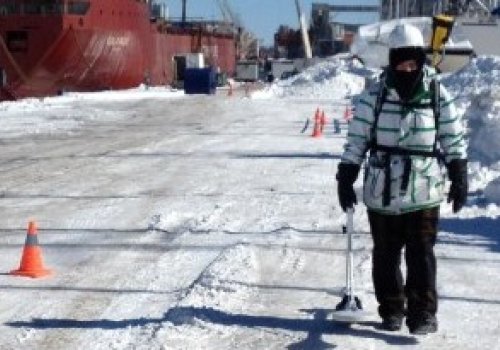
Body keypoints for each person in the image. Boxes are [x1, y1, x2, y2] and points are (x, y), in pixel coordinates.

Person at [336, 23, 468, 335]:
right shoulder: (375, 96)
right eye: (401, 63)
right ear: (393, 62)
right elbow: (357, 140)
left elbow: (452, 136)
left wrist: (459, 173)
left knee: (421, 252)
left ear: (421, 61)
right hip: (382, 188)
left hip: (423, 188)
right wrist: (346, 174)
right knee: (385, 253)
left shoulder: (437, 94)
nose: (407, 69)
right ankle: (392, 309)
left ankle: (422, 313)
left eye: (413, 63)